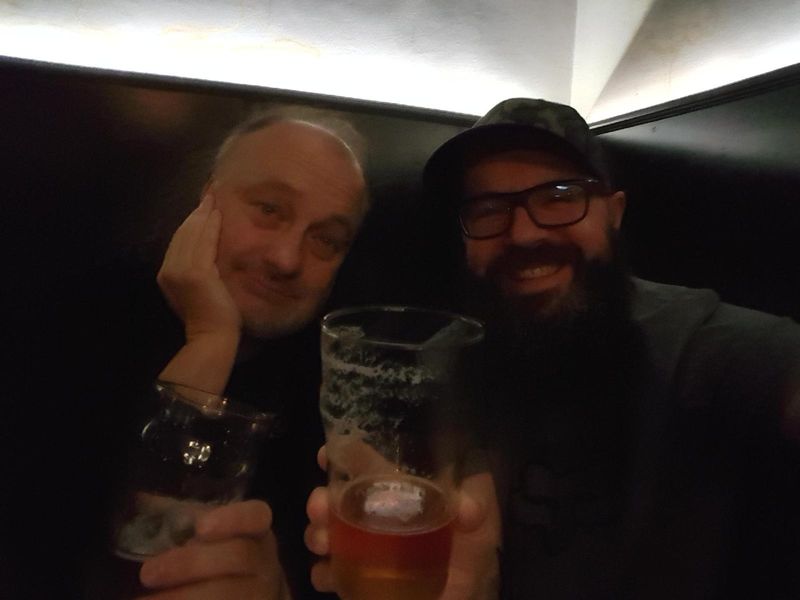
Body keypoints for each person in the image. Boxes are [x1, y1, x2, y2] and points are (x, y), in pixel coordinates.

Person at [306, 98, 800, 599]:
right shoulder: (443, 363)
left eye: (560, 196)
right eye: (489, 209)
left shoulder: (697, 342)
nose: (523, 234)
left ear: (614, 212)